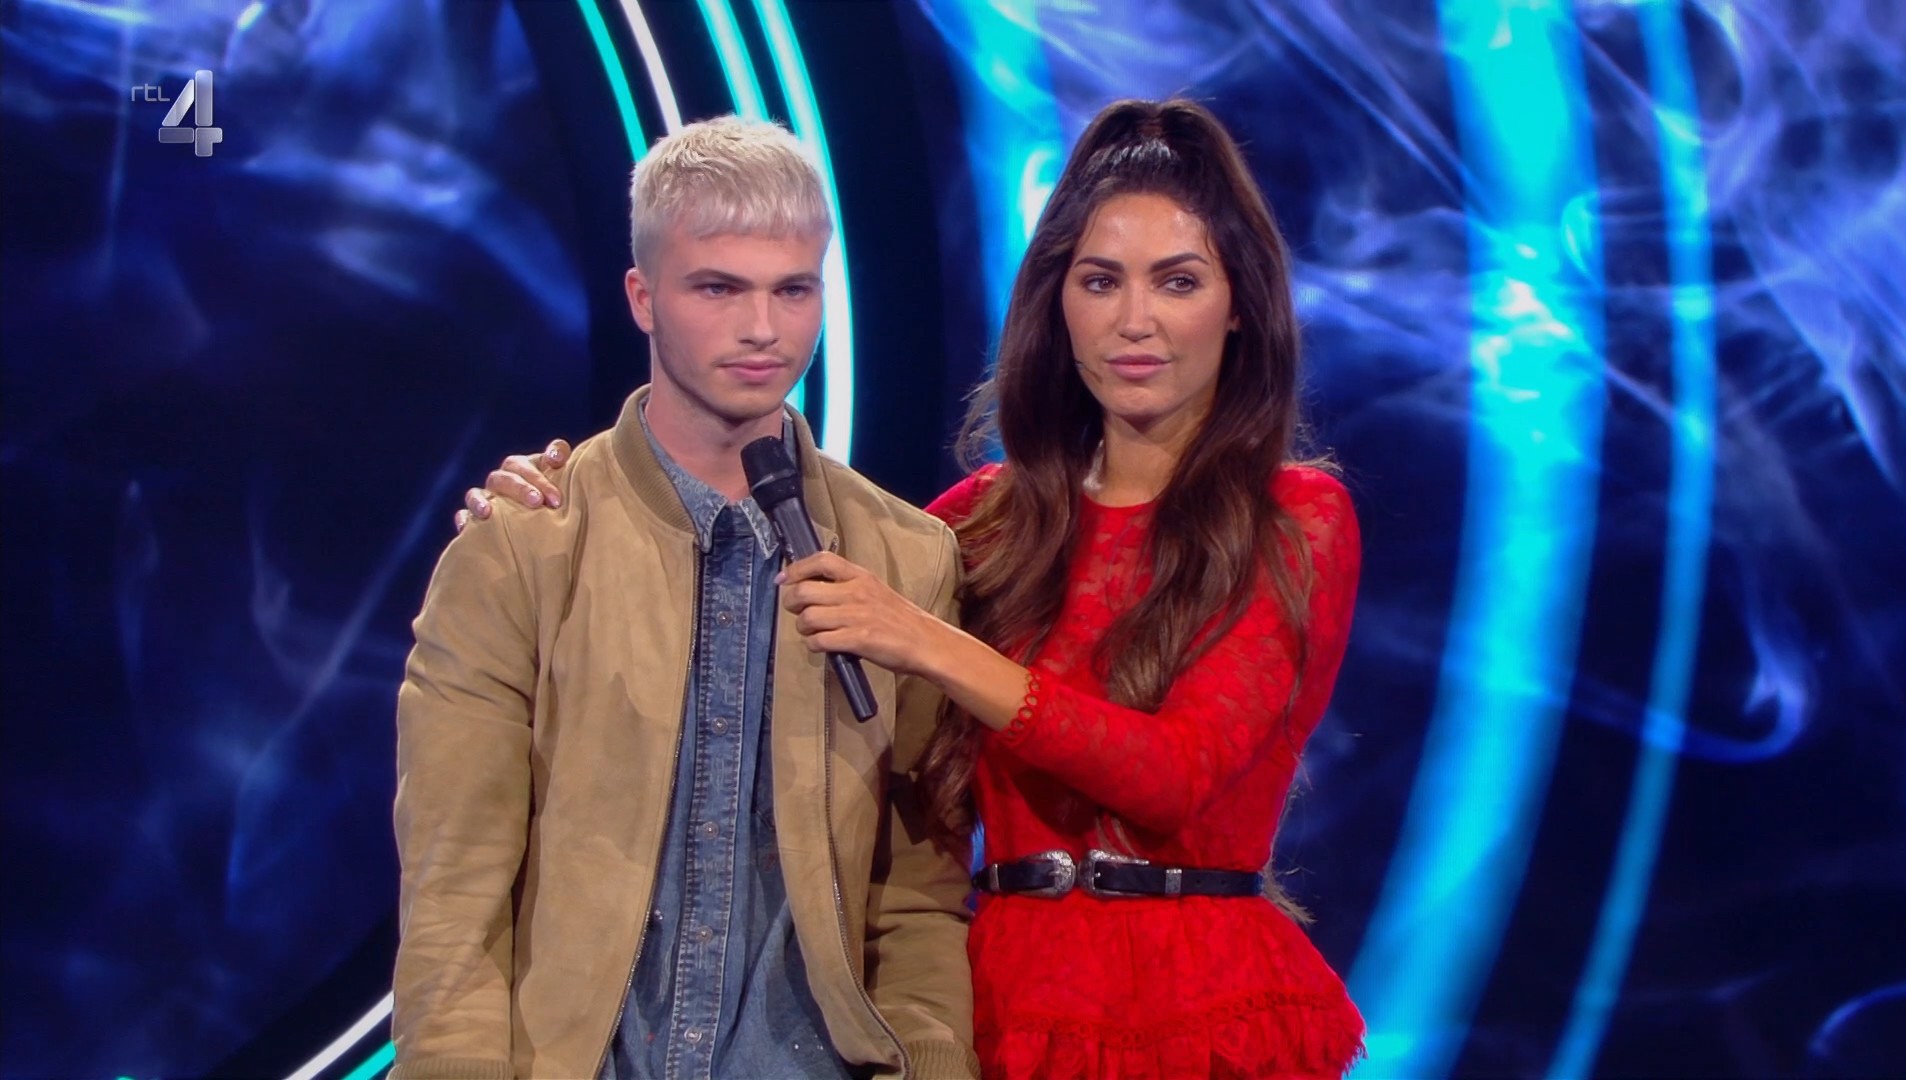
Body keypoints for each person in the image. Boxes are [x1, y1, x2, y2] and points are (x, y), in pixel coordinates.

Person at [465, 98, 1365, 1079]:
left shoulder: (1294, 517)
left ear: (1238, 305)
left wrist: (930, 642)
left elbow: (1174, 775)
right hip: (1004, 1008)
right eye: (1101, 281)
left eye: (1178, 281)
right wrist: (568, 501)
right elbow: (752, 562)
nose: (1135, 320)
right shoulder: (981, 522)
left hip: (1203, 1009)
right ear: (1057, 300)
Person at [395, 116, 977, 1079]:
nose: (763, 329)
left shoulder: (906, 559)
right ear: (643, 297)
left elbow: (918, 886)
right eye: (719, 288)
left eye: (793, 289)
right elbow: (454, 898)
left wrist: (931, 1062)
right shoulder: (524, 546)